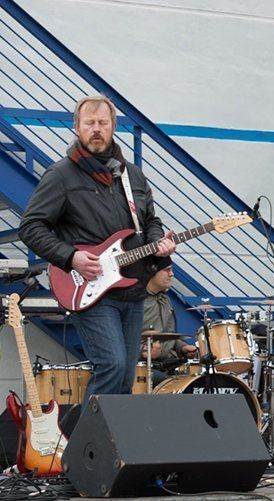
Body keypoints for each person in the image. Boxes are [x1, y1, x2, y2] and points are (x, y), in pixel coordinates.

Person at [19, 95, 176, 402]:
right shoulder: (61, 175)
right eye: (89, 123)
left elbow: (149, 221)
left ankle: (106, 447)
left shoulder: (133, 175)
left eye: (103, 123)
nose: (96, 129)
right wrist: (71, 257)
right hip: (90, 289)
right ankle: (82, 445)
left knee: (125, 377)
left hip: (133, 290)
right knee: (111, 366)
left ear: (113, 127)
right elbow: (31, 227)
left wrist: (160, 243)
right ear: (77, 128)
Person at [140, 257, 198, 385]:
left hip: (169, 365)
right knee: (173, 386)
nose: (171, 274)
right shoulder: (135, 302)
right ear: (152, 272)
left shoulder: (165, 299)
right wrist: (143, 352)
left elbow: (167, 335)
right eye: (167, 270)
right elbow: (119, 338)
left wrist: (182, 348)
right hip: (142, 369)